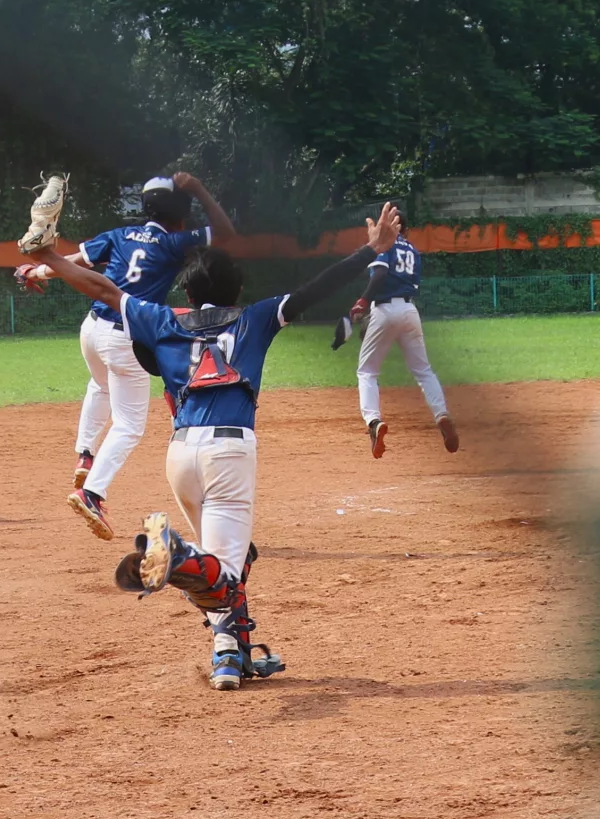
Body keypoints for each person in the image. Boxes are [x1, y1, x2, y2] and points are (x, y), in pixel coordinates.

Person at [26, 203, 399, 690]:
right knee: (217, 572)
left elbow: (102, 288)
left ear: (188, 291)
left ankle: (229, 654)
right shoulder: (257, 318)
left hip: (180, 454)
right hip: (229, 453)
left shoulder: (162, 319)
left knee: (234, 561)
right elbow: (317, 288)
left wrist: (50, 256)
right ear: (238, 289)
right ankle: (176, 557)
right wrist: (372, 250)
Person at [17, 172, 235, 540]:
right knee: (129, 425)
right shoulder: (174, 243)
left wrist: (35, 269)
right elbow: (226, 234)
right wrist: (198, 188)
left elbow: (76, 262)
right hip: (125, 337)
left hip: (91, 329)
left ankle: (85, 453)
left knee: (99, 384)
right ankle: (92, 492)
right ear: (179, 214)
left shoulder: (119, 235)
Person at [349, 225, 458, 457]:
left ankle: (373, 421)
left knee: (367, 372)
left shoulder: (384, 244)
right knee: (423, 370)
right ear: (406, 230)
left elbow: (380, 274)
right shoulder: (413, 251)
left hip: (385, 309)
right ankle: (442, 415)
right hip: (409, 310)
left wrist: (363, 300)